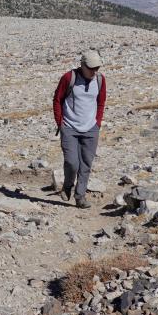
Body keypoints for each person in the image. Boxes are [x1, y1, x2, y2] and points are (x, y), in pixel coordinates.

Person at [52, 50, 107, 208]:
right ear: (82, 65)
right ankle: (67, 185)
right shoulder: (69, 78)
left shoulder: (100, 80)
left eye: (97, 68)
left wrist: (97, 123)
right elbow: (57, 100)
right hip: (69, 127)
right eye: (91, 68)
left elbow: (101, 102)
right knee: (72, 162)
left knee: (86, 164)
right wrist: (60, 123)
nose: (94, 71)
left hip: (91, 129)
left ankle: (80, 196)